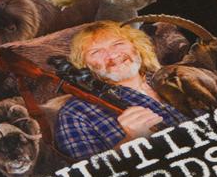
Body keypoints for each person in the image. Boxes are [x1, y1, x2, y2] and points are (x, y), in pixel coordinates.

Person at [54, 21, 188, 159]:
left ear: (137, 47)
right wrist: (130, 141)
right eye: (96, 52)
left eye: (118, 44)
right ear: (85, 65)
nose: (112, 55)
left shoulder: (178, 78)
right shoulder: (74, 113)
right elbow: (91, 171)